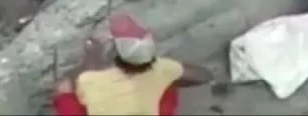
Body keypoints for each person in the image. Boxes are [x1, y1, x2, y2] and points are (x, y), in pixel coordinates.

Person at [52, 13, 213, 116]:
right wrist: (168, 73)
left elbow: (79, 77)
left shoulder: (92, 80)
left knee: (63, 89)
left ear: (115, 54)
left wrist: (92, 54)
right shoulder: (161, 68)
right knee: (168, 85)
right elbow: (204, 76)